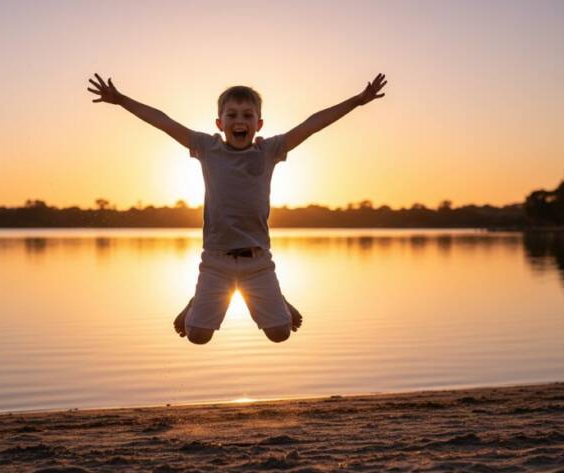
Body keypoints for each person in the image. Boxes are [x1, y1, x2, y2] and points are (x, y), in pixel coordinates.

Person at [87, 73, 387, 344]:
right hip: (216, 261)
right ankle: (195, 303)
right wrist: (121, 100)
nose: (239, 120)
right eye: (231, 115)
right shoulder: (206, 147)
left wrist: (358, 101)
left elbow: (312, 124)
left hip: (258, 262)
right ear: (220, 123)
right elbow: (163, 122)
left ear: (259, 124)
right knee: (198, 337)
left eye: (247, 115)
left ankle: (277, 298)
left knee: (280, 334)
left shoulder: (270, 150)